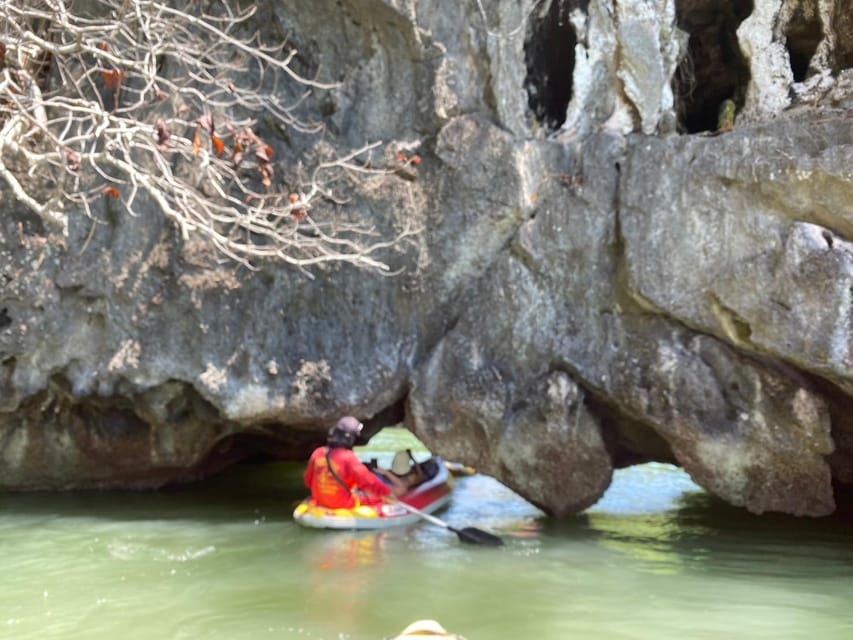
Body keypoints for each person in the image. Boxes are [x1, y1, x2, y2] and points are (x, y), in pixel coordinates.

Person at [304, 416, 393, 509]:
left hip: (320, 501)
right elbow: (368, 481)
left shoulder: (317, 453)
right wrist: (387, 493)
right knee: (377, 498)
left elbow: (308, 480)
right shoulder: (348, 457)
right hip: (342, 504)